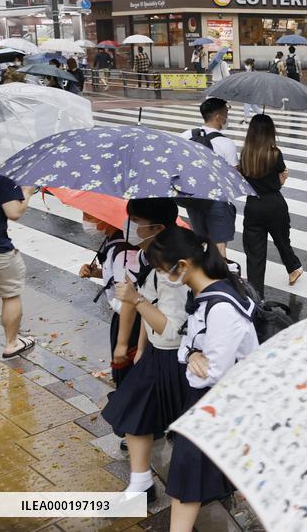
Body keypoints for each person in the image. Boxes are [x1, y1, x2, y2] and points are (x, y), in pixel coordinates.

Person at [146, 227, 259, 532]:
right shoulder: (202, 296)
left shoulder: (221, 307)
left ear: (182, 265)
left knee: (187, 475)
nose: (163, 275)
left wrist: (193, 357)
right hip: (211, 401)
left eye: (162, 269)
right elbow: (187, 347)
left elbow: (210, 375)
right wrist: (193, 355)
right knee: (194, 473)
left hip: (224, 403)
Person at [99, 199, 190, 502]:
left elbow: (170, 326)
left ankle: (191, 491)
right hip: (154, 353)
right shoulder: (145, 255)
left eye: (138, 221)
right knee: (134, 410)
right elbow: (143, 307)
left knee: (184, 429)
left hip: (179, 357)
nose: (134, 228)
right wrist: (137, 347)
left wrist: (136, 300)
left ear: (158, 227)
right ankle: (141, 482)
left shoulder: (175, 265)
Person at [239, 114, 303, 296]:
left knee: (254, 253)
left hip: (253, 205)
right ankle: (294, 268)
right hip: (274, 203)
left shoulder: (246, 153)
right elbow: (279, 181)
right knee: (282, 240)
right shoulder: (275, 153)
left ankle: (255, 295)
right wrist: (283, 177)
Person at [77, 216, 140, 388]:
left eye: (89, 216)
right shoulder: (114, 241)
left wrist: (122, 343)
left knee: (127, 373)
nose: (85, 220)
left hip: (129, 320)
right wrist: (96, 272)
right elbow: (115, 278)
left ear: (106, 218)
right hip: (123, 317)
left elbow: (130, 300)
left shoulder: (124, 253)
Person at [180, 98, 239, 256]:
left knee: (202, 240)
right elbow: (233, 177)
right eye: (226, 114)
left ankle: (205, 275)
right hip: (218, 200)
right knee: (219, 245)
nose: (227, 118)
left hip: (194, 199)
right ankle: (220, 276)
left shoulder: (186, 135)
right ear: (219, 117)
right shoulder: (226, 143)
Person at [0, 175, 36, 358]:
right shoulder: (1, 178)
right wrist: (27, 192)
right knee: (10, 295)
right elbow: (14, 212)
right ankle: (12, 343)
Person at [240, 58, 261, 124]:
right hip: (247, 90)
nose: (245, 66)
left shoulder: (254, 72)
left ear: (250, 65)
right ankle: (262, 115)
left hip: (251, 91)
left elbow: (255, 82)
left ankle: (245, 120)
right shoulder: (248, 71)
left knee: (246, 105)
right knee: (253, 105)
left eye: (246, 64)